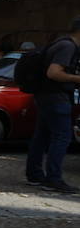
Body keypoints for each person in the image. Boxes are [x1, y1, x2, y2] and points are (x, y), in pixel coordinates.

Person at [25, 20, 80, 193]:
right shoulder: (68, 47)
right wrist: (77, 79)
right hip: (56, 97)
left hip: (45, 96)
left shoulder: (59, 43)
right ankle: (53, 179)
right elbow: (53, 72)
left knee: (41, 136)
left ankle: (34, 175)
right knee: (62, 136)